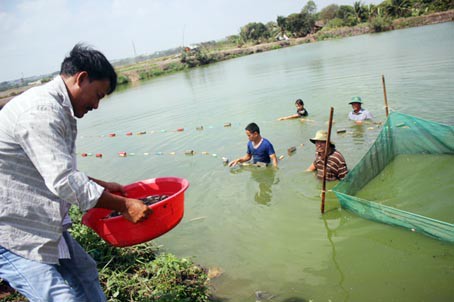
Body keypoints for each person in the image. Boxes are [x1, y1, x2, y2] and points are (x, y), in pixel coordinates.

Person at [0, 44, 152, 301]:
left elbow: (54, 170)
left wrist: (103, 186)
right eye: (98, 95)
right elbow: (63, 181)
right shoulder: (40, 113)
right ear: (81, 79)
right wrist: (125, 205)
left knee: (85, 274)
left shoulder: (57, 108)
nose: (96, 104)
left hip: (40, 223)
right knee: (61, 298)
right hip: (13, 233)